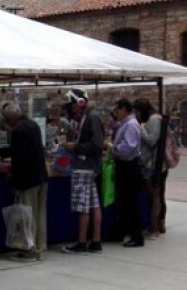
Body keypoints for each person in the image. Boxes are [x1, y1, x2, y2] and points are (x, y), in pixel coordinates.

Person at [2, 103, 49, 262]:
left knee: (28, 216)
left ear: (11, 118)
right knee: (40, 215)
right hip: (41, 177)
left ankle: (30, 250)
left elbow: (19, 160)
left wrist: (16, 185)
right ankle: (40, 248)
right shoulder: (33, 125)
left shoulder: (18, 130)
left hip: (28, 180)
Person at [61, 89, 105, 254]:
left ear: (79, 103)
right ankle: (95, 240)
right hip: (90, 167)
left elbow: (97, 144)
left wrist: (76, 147)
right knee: (94, 205)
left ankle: (81, 242)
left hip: (84, 167)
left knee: (83, 206)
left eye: (72, 105)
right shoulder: (89, 117)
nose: (72, 110)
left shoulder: (91, 118)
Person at [108, 99, 143, 247]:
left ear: (124, 109)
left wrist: (112, 147)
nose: (117, 113)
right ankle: (122, 232)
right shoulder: (125, 124)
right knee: (123, 201)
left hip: (129, 165)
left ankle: (136, 236)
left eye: (118, 110)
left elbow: (128, 147)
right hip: (124, 165)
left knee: (130, 202)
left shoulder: (131, 125)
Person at [134, 98, 167, 240]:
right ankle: (155, 226)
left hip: (154, 165)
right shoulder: (155, 118)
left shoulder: (154, 120)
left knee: (155, 196)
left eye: (137, 111)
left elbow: (152, 140)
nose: (136, 114)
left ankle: (155, 228)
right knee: (154, 196)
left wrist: (141, 130)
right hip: (151, 164)